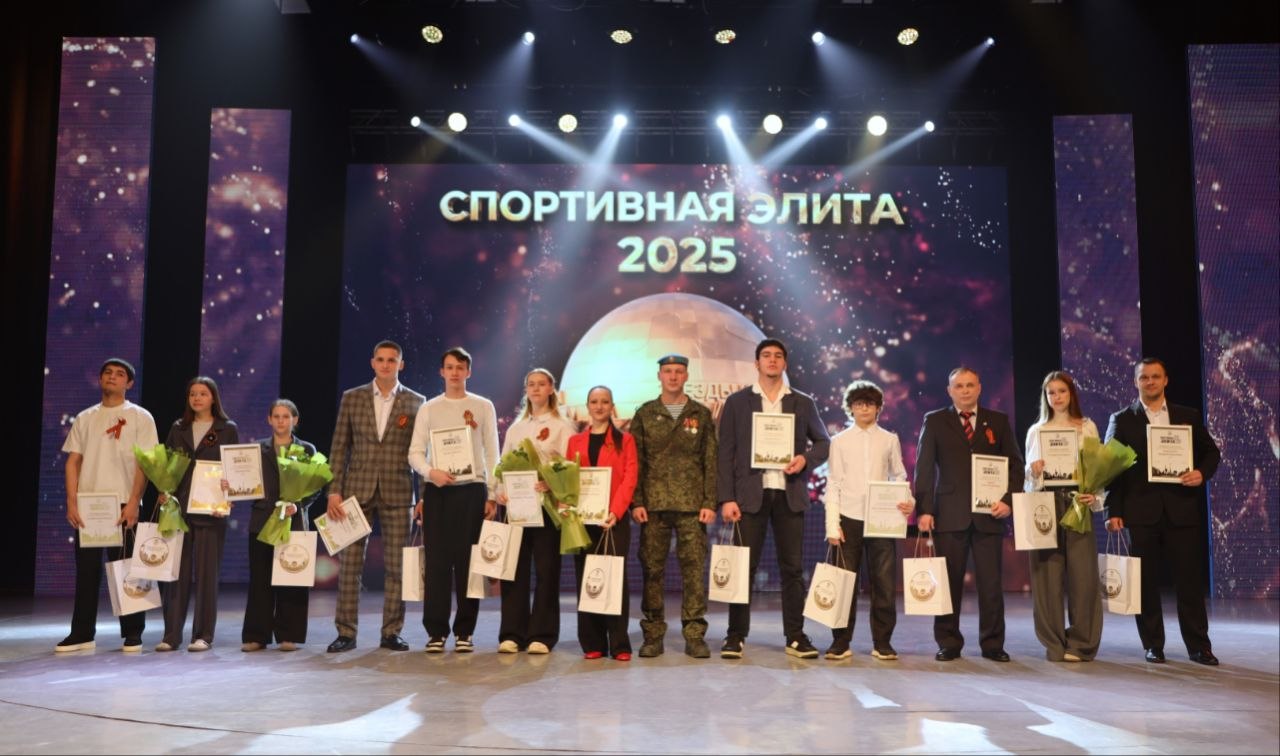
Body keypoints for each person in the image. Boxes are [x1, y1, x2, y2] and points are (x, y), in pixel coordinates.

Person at [716, 338, 830, 659]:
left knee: (792, 569)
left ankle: (795, 636)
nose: (772, 360)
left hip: (788, 493)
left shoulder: (802, 402)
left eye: (778, 356)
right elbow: (725, 453)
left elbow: (824, 443)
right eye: (766, 355)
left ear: (784, 364)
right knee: (743, 568)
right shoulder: (737, 402)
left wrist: (805, 459)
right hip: (749, 496)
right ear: (756, 363)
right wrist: (726, 498)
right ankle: (735, 636)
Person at [1105, 357, 1222, 665]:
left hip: (1181, 510)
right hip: (1140, 512)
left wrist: (1201, 473)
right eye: (1144, 377)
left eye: (1156, 376)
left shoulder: (1188, 416)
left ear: (1166, 380)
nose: (1150, 382)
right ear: (1136, 382)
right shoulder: (1121, 419)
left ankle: (1199, 647)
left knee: (1189, 582)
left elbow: (1212, 452)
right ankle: (1153, 645)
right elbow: (1110, 469)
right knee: (1145, 583)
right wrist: (1112, 511)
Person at [913, 366, 1024, 662]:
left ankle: (993, 644)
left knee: (991, 585)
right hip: (949, 514)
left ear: (979, 388)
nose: (964, 390)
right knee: (948, 582)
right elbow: (924, 469)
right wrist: (924, 510)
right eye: (959, 386)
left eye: (970, 385)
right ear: (949, 391)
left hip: (990, 514)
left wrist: (1008, 500)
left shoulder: (998, 421)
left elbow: (1015, 465)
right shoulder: (935, 420)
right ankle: (948, 642)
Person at [325, 340, 426, 653]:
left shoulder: (416, 401)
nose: (385, 365)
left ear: (401, 364)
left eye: (391, 360)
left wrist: (424, 496)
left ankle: (391, 632)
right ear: (372, 363)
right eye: (380, 359)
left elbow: (421, 452)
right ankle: (346, 633)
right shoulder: (352, 398)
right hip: (356, 491)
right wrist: (334, 491)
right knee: (350, 566)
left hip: (399, 491)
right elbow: (339, 447)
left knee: (397, 567)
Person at [56, 358, 159, 653]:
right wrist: (72, 500)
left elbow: (145, 463)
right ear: (100, 379)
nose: (112, 377)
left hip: (124, 502)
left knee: (127, 568)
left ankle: (133, 632)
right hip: (90, 503)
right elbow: (73, 461)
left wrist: (135, 501)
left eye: (120, 374)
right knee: (87, 571)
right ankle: (82, 633)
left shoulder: (140, 417)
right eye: (108, 373)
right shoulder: (85, 417)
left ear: (129, 383)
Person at [408, 347, 499, 653]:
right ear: (442, 372)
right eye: (450, 367)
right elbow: (415, 453)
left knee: (468, 563)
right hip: (438, 491)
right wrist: (430, 472)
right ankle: (436, 632)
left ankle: (465, 632)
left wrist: (492, 492)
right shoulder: (429, 408)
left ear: (468, 371)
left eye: (460, 367)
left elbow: (492, 452)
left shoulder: (483, 406)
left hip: (472, 490)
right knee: (436, 563)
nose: (455, 372)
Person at [630, 353, 718, 659]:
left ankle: (694, 634)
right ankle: (653, 634)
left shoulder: (700, 414)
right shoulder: (645, 413)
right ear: (659, 376)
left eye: (678, 371)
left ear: (686, 376)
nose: (673, 376)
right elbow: (636, 460)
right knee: (652, 570)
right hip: (653, 506)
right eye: (667, 371)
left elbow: (710, 460)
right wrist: (637, 501)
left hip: (692, 506)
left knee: (693, 571)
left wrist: (709, 501)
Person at [822, 380, 913, 661]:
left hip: (881, 519)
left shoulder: (889, 439)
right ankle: (840, 641)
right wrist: (832, 525)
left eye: (870, 404)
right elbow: (834, 483)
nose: (864, 409)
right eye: (859, 404)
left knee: (884, 583)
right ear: (850, 408)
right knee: (844, 583)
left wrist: (907, 499)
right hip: (848, 518)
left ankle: (882, 642)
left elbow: (899, 475)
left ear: (878, 408)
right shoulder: (839, 441)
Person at [1023, 370, 1104, 662]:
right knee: (1046, 576)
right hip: (1046, 503)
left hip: (1076, 503)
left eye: (1062, 391)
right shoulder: (1036, 431)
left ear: (1071, 394)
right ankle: (1054, 642)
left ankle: (1080, 643)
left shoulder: (1087, 427)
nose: (1057, 397)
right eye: (1051, 393)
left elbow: (1097, 470)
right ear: (1045, 397)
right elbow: (1028, 479)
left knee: (1083, 577)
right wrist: (1033, 471)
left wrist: (1095, 496)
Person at [495, 368, 576, 654]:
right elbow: (502, 465)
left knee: (546, 571)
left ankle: (542, 635)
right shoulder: (516, 429)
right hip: (517, 509)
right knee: (513, 571)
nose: (536, 389)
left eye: (542, 384)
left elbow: (570, 467)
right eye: (531, 384)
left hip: (547, 508)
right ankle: (512, 634)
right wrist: (499, 490)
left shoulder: (563, 427)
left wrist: (551, 483)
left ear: (552, 389)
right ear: (526, 390)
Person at [157, 376, 240, 652]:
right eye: (192, 393)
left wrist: (231, 492)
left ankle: (203, 635)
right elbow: (168, 464)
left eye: (202, 393)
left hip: (210, 510)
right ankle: (171, 635)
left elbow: (236, 469)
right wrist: (164, 490)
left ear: (213, 398)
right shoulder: (178, 427)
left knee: (207, 575)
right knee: (175, 574)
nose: (197, 398)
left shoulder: (227, 429)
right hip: (179, 510)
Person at [242, 399, 322, 652]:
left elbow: (316, 486)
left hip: (294, 521)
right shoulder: (257, 449)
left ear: (294, 420)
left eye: (286, 416)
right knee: (260, 580)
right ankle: (257, 635)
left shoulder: (306, 449)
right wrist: (231, 485)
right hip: (262, 521)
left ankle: (289, 635)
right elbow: (246, 481)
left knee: (292, 578)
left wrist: (298, 505)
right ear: (269, 419)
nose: (280, 421)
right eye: (276, 416)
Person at [566, 385, 639, 661]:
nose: (599, 406)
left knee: (614, 579)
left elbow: (630, 478)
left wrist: (615, 511)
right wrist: (567, 505)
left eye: (604, 402)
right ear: (588, 406)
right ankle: (592, 642)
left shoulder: (626, 441)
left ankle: (619, 644)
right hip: (583, 521)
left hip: (613, 520)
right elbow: (568, 479)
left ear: (612, 406)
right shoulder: (574, 442)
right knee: (587, 578)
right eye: (594, 402)